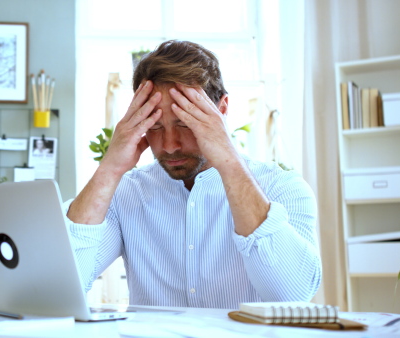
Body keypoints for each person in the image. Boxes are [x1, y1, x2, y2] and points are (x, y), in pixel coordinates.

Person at [64, 40, 321, 309]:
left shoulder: (282, 188)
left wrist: (229, 162)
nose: (170, 145)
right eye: (155, 126)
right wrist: (110, 168)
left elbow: (293, 296)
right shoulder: (126, 194)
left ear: (221, 111)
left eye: (185, 123)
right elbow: (64, 285)